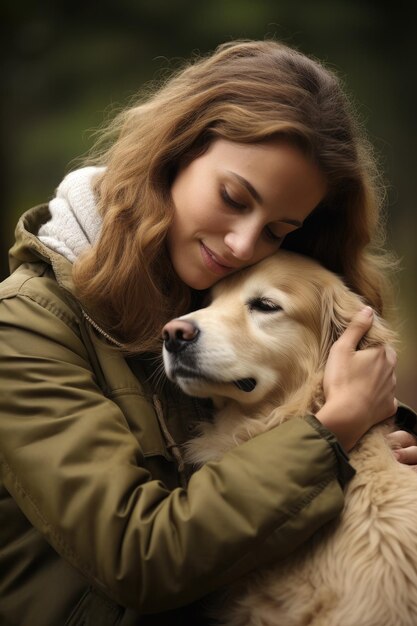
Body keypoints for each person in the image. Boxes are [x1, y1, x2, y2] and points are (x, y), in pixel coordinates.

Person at [0, 39, 415, 626]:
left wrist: (381, 437)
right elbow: (136, 557)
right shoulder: (22, 327)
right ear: (172, 155)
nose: (244, 245)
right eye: (232, 198)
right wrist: (332, 434)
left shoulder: (209, 288)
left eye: (277, 230)